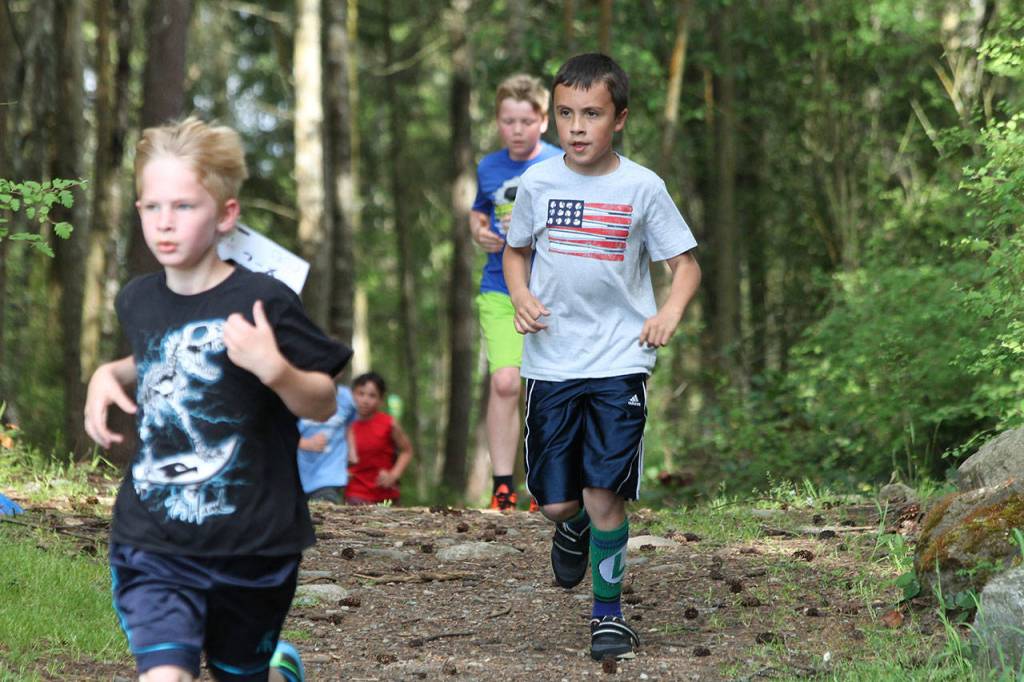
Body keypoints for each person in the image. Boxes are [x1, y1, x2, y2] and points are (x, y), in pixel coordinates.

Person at [83, 117, 351, 682]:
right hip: (152, 540)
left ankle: (277, 672)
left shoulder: (263, 301)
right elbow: (161, 355)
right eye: (152, 207)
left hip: (255, 546)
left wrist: (276, 369)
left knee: (242, 674)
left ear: (225, 214)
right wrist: (110, 372)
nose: (165, 223)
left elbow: (323, 401)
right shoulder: (137, 300)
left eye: (184, 207)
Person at [503, 53, 701, 661]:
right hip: (551, 361)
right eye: (566, 114)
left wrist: (667, 313)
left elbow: (685, 266)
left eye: (592, 114)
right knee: (559, 502)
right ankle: (573, 527)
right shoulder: (537, 183)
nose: (577, 127)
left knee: (603, 492)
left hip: (621, 360)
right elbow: (515, 252)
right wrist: (520, 294)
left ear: (619, 118)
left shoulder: (642, 186)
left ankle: (608, 615)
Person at [470, 74, 561, 511]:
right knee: (505, 382)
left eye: (526, 120)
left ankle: (547, 483)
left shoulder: (562, 164)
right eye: (509, 121)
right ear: (498, 122)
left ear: (543, 121)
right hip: (499, 287)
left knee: (548, 386)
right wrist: (480, 232)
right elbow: (479, 214)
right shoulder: (488, 167)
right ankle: (503, 486)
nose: (518, 129)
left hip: (553, 290)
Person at [345, 372, 413, 506]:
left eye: (372, 395)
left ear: (381, 400)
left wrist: (393, 475)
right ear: (352, 395)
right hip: (355, 494)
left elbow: (407, 451)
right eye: (361, 393)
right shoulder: (344, 424)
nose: (365, 400)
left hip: (386, 495)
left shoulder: (389, 423)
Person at [297, 381, 358, 503]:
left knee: (325, 508)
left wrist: (352, 451)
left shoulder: (347, 397)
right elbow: (276, 430)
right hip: (297, 473)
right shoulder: (293, 393)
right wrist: (305, 443)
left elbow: (348, 425)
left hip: (330, 473)